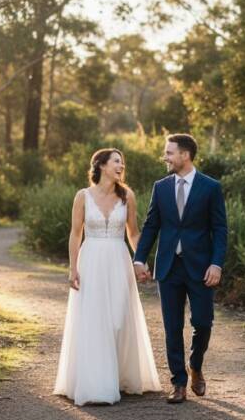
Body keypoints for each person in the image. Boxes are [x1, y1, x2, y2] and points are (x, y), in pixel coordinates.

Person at [53, 148, 162, 406]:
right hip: (90, 260)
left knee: (117, 320)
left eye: (122, 162)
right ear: (101, 165)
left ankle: (122, 375)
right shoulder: (82, 196)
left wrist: (141, 261)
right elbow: (75, 234)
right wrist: (72, 268)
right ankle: (96, 383)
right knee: (94, 319)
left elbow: (133, 233)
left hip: (118, 260)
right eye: (116, 161)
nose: (121, 166)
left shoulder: (128, 196)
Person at [132, 133, 228, 404]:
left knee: (202, 322)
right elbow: (151, 226)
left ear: (185, 155)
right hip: (169, 268)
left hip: (201, 268)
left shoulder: (210, 187)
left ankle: (195, 364)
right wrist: (139, 258)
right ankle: (178, 382)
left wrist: (216, 263)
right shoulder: (160, 187)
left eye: (169, 152)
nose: (166, 157)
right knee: (171, 327)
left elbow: (220, 229)